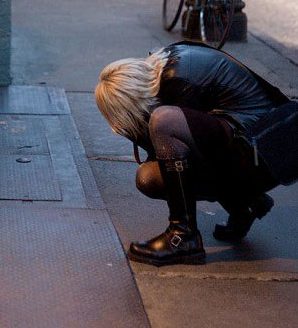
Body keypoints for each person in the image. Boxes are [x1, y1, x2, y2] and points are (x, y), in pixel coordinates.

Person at [95, 41, 298, 267]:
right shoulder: (164, 70)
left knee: (163, 122)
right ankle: (245, 204)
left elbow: (186, 153)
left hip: (268, 148)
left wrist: (142, 133)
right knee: (150, 176)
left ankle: (183, 236)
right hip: (256, 147)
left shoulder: (178, 82)